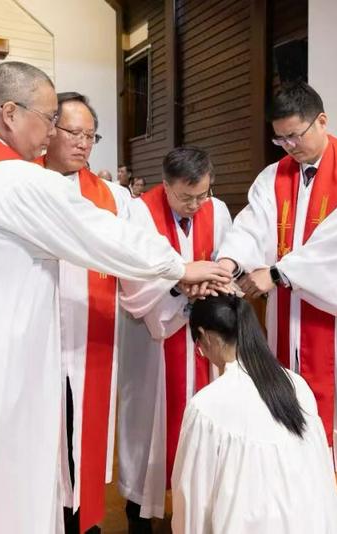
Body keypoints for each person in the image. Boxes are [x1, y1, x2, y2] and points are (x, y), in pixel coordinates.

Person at [0, 61, 230, 534]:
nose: (50, 134)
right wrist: (179, 266)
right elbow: (96, 231)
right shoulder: (12, 180)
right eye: (48, 119)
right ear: (9, 112)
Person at [215, 81, 337, 534]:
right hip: (286, 323)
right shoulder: (273, 177)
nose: (289, 146)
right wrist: (230, 261)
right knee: (289, 423)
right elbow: (250, 226)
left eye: (296, 135)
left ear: (322, 121)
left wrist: (275, 274)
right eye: (281, 138)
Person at [116, 146, 232, 531]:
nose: (196, 205)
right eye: (186, 197)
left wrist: (212, 283)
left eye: (202, 194)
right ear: (165, 186)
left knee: (208, 426)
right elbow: (133, 281)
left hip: (204, 344)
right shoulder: (139, 212)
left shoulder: (217, 211)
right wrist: (180, 285)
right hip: (153, 343)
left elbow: (226, 263)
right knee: (147, 426)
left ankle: (202, 513)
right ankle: (139, 514)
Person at [39, 90, 132, 534]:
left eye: (91, 136)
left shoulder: (113, 197)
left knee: (80, 436)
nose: (82, 143)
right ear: (48, 129)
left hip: (88, 341)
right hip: (32, 343)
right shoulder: (21, 184)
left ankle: (81, 521)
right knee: (37, 440)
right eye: (73, 132)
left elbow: (136, 260)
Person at [171, 295, 337, 534]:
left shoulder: (206, 406)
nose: (202, 352)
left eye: (198, 344)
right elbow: (323, 480)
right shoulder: (297, 385)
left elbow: (193, 498)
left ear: (206, 336)